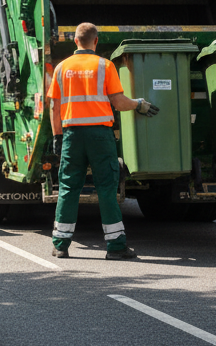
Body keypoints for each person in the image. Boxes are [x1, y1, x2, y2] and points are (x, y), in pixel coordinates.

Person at [47, 23, 158, 260]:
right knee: (107, 188)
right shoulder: (105, 66)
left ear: (75, 41)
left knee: (68, 188)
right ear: (95, 42)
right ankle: (116, 247)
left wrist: (57, 136)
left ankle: (60, 245)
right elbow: (118, 103)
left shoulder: (61, 68)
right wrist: (139, 104)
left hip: (72, 135)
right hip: (100, 136)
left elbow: (54, 107)